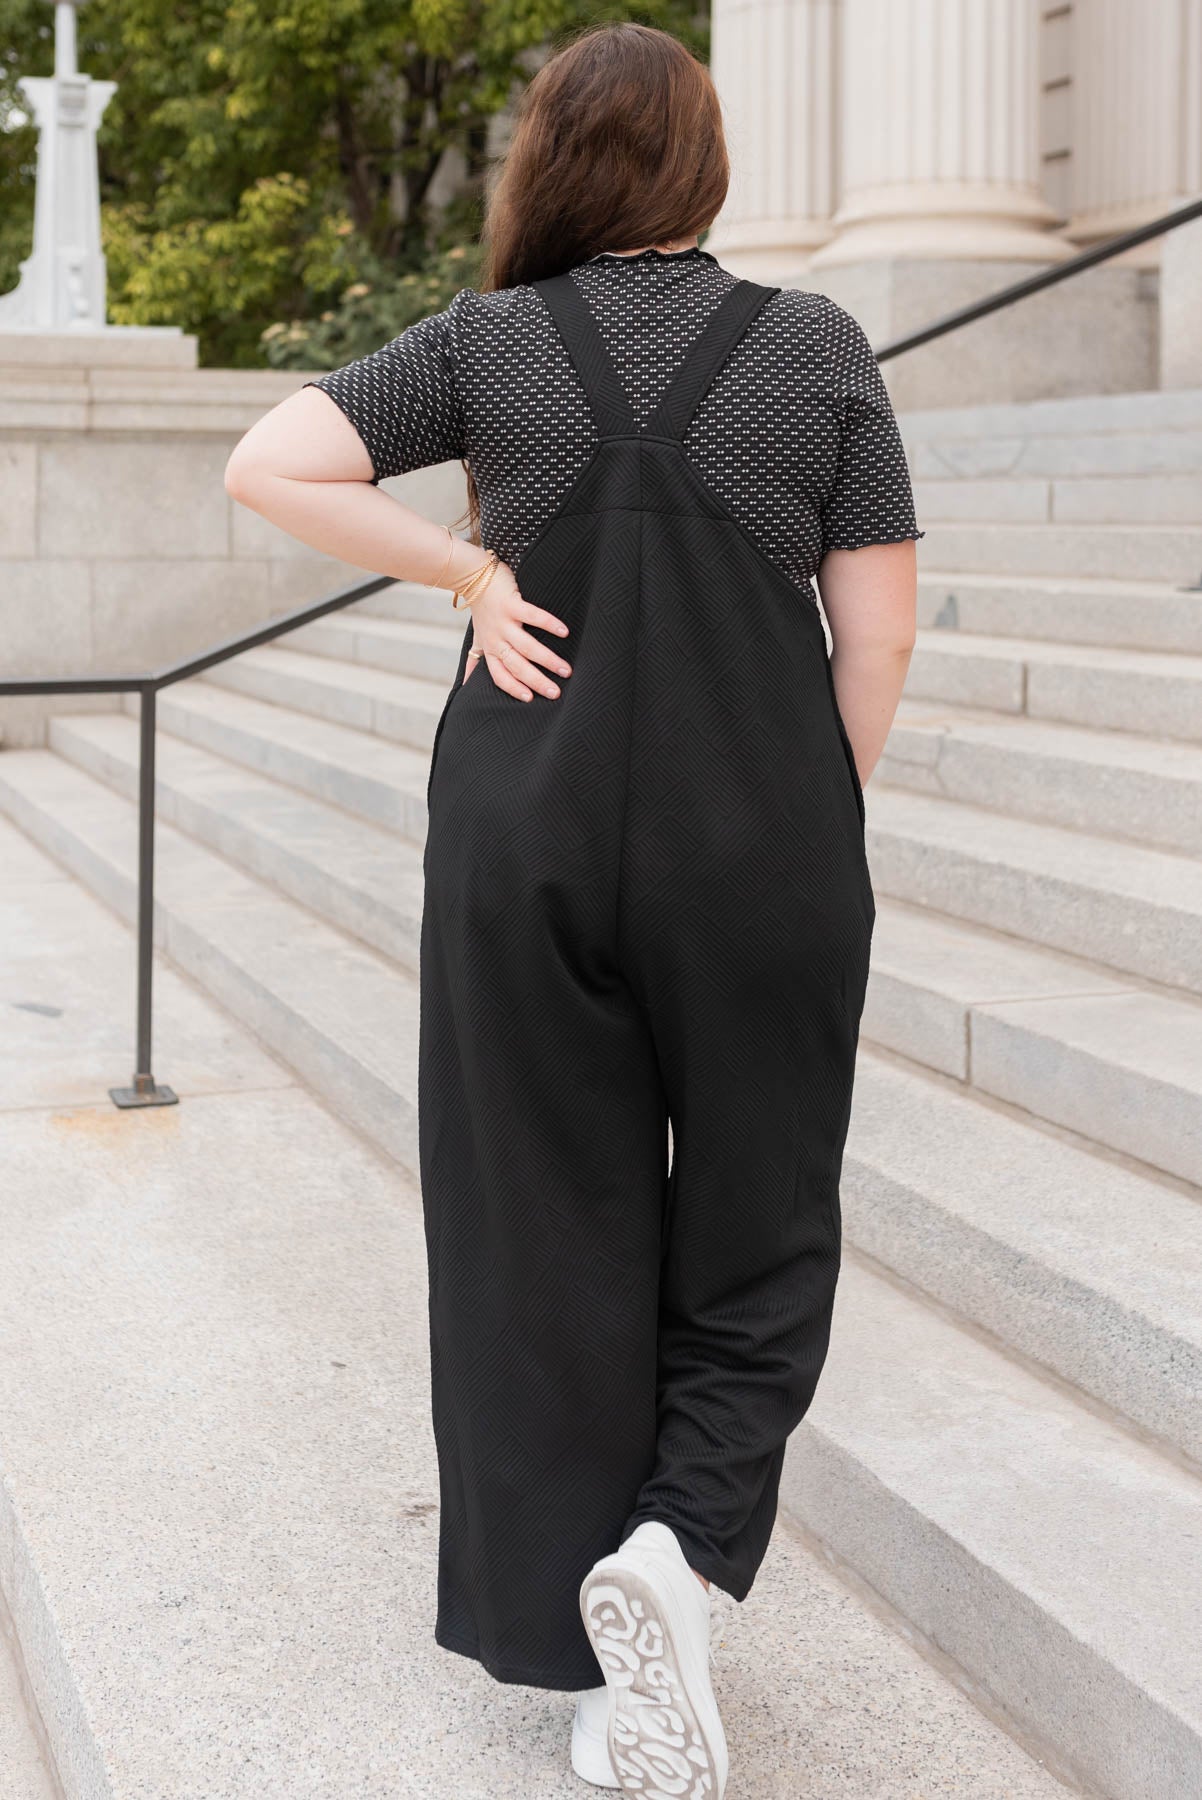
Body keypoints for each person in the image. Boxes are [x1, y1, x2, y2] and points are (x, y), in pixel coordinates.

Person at [225, 22, 919, 1796]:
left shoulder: (490, 344)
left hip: (523, 837)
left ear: (553, 163)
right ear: (702, 170)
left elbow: (267, 464)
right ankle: (675, 1558)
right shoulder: (819, 345)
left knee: (539, 1226)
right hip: (759, 840)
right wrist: (807, 818)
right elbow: (881, 631)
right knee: (760, 1223)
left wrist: (468, 568)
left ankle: (585, 1654)